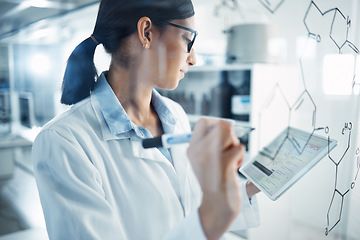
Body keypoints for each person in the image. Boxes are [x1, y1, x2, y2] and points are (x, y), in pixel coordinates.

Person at [32, 0, 260, 239]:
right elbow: (202, 221)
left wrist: (243, 190)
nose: (193, 59)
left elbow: (186, 208)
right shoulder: (64, 141)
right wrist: (210, 219)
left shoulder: (175, 116)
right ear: (146, 32)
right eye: (187, 39)